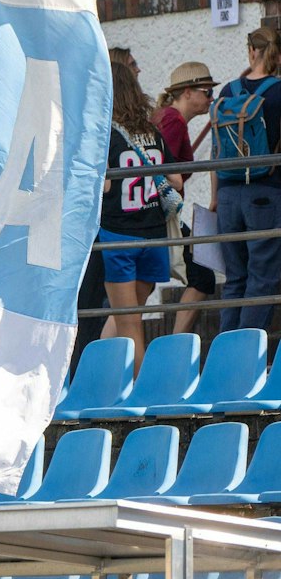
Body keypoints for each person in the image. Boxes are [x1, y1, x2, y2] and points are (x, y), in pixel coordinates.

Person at [95, 53, 169, 362]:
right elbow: (175, 180)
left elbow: (106, 186)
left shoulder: (105, 135)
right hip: (154, 234)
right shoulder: (153, 133)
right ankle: (102, 381)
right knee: (123, 318)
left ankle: (138, 398)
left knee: (130, 326)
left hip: (119, 235)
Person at [212, 27, 281, 334]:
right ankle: (245, 355)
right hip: (265, 191)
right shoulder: (278, 91)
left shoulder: (228, 91)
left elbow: (216, 151)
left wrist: (215, 198)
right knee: (263, 277)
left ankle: (226, 353)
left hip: (227, 194)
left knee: (235, 278)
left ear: (251, 51)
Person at [158, 63, 218, 336]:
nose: (211, 99)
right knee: (202, 276)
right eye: (206, 92)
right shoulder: (173, 121)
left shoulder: (168, 118)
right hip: (160, 215)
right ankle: (175, 345)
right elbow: (158, 168)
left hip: (157, 214)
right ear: (186, 92)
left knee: (139, 286)